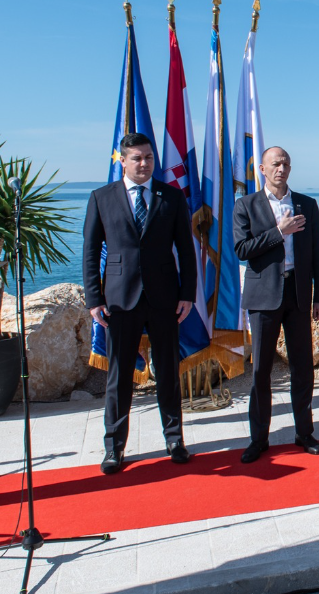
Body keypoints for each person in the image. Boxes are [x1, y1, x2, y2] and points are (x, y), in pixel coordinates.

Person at [82, 132, 197, 474]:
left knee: (168, 372)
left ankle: (174, 440)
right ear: (123, 161)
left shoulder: (171, 196)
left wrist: (187, 294)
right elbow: (90, 252)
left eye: (148, 157)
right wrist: (94, 299)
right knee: (119, 377)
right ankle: (114, 447)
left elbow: (186, 249)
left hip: (164, 298)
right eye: (137, 158)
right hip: (119, 301)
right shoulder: (101, 197)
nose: (144, 163)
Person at [233, 146, 319, 463]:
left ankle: (304, 432)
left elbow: (317, 253)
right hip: (263, 297)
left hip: (298, 294)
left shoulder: (306, 204)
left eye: (286, 163)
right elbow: (242, 249)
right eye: (275, 164)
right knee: (261, 369)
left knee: (303, 367)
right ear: (262, 169)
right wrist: (279, 232)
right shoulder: (246, 205)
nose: (281, 168)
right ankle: (258, 438)